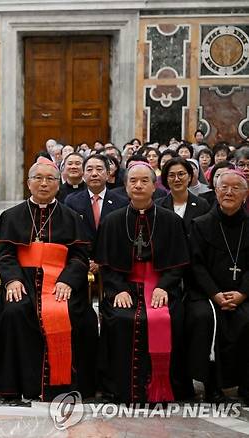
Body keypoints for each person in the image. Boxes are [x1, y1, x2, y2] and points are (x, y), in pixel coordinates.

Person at [0, 157, 97, 401]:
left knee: (74, 314)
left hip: (60, 283)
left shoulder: (71, 217)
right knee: (15, 311)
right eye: (38, 178)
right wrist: (12, 280)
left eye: (50, 179)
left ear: (59, 185)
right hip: (23, 282)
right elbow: (5, 256)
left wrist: (68, 281)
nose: (44, 184)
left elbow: (80, 257)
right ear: (29, 183)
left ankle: (63, 385)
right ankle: (18, 384)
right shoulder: (11, 216)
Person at [94, 162, 190, 403]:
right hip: (124, 286)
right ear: (125, 187)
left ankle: (163, 385)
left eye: (144, 181)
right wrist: (118, 289)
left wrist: (163, 286)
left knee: (171, 316)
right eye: (133, 181)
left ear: (155, 187)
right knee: (121, 318)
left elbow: (178, 265)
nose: (138, 185)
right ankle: (120, 387)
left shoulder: (170, 221)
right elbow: (106, 265)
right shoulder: (112, 221)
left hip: (160, 287)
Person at [186, 170, 249, 403]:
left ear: (245, 194)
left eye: (236, 188)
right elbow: (196, 265)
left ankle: (246, 384)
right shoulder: (201, 225)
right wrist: (215, 294)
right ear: (216, 191)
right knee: (205, 319)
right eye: (224, 187)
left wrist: (242, 293)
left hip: (244, 292)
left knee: (246, 318)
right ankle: (212, 385)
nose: (229, 192)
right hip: (206, 294)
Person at [65, 154, 127, 272]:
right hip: (80, 264)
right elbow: (70, 236)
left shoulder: (121, 202)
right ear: (83, 174)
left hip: (112, 266)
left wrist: (102, 262)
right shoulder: (71, 201)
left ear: (108, 174)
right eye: (89, 170)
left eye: (99, 169)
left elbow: (121, 239)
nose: (94, 174)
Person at [156, 157, 209, 232]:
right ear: (166, 179)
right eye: (171, 175)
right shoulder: (158, 205)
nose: (177, 179)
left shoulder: (202, 205)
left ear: (189, 177)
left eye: (181, 174)